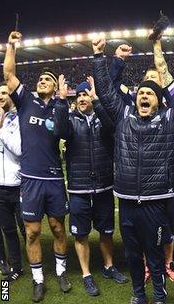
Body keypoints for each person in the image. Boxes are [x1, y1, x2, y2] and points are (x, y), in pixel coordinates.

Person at [91, 35, 174, 304]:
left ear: (158, 101)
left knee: (154, 254)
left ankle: (159, 296)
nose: (144, 95)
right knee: (132, 254)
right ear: (135, 98)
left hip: (155, 202)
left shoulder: (169, 119)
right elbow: (106, 92)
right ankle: (139, 295)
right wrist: (98, 56)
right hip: (128, 201)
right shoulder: (124, 116)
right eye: (141, 92)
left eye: (150, 93)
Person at [3, 31, 71, 302]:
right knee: (32, 231)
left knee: (57, 228)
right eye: (41, 78)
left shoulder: (58, 106)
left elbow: (65, 134)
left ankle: (62, 271)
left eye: (48, 80)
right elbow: (8, 74)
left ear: (55, 87)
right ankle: (38, 279)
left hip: (54, 179)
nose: (43, 81)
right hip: (30, 179)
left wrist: (64, 101)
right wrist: (11, 46)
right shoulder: (26, 101)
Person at [54, 77, 128, 296]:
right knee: (81, 235)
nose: (82, 98)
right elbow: (60, 131)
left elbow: (112, 128)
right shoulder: (70, 120)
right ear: (75, 101)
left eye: (85, 94)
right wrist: (60, 101)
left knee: (106, 232)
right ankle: (87, 274)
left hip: (104, 187)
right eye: (79, 96)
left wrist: (98, 101)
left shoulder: (101, 118)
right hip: (79, 189)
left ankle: (108, 266)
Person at [0, 82, 24, 282]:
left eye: (4, 93)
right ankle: (16, 267)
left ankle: (37, 265)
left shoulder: (18, 118)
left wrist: (0, 129)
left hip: (19, 185)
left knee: (27, 229)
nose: (0, 96)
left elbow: (19, 150)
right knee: (8, 230)